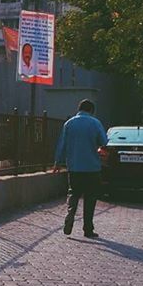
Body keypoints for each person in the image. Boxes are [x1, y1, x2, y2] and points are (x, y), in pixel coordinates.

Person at [53, 98, 108, 238]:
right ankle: (88, 229)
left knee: (73, 194)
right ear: (91, 110)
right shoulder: (95, 123)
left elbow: (62, 144)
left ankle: (70, 216)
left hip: (74, 166)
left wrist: (57, 162)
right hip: (92, 168)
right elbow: (104, 142)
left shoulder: (69, 123)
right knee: (90, 198)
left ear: (79, 109)